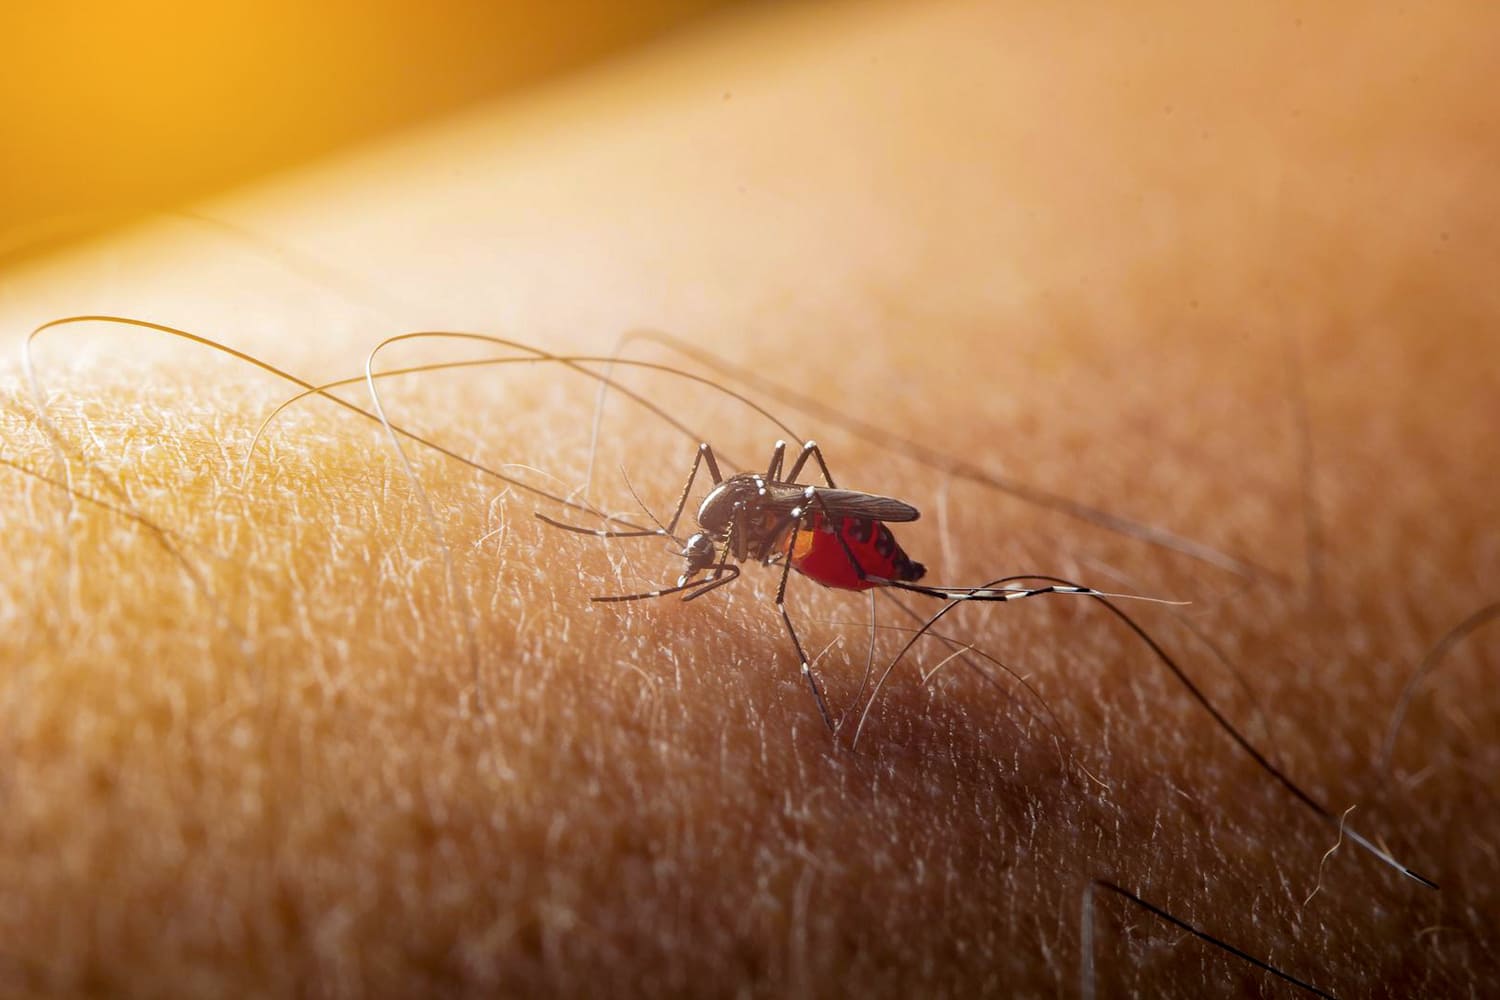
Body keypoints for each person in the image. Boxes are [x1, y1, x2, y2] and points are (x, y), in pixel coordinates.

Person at [1, 2, 1493, 994]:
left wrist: (780, 552)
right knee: (747, 485)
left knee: (756, 491)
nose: (719, 539)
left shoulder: (771, 532)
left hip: (828, 533)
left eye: (717, 542)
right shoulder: (745, 518)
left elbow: (753, 525)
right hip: (816, 534)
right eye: (717, 541)